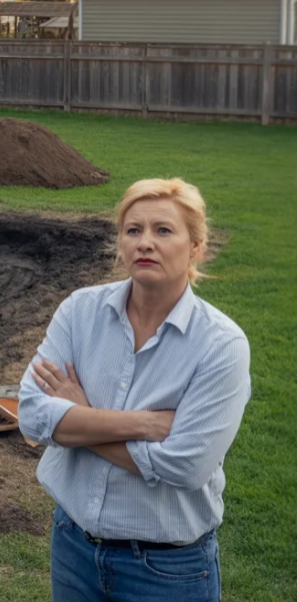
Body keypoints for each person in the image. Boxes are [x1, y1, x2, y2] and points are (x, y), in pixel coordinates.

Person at [18, 178, 251, 602]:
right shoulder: (79, 311)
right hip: (73, 547)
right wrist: (144, 424)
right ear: (120, 244)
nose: (145, 242)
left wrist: (79, 421)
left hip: (167, 571)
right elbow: (32, 416)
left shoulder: (221, 345)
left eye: (163, 230)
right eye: (133, 230)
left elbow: (186, 466)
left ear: (196, 247)